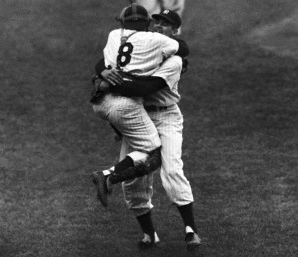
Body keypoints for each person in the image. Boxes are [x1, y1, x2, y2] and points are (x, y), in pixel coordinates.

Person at [95, 10, 201, 251]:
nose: (159, 26)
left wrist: (113, 83)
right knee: (132, 183)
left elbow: (146, 88)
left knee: (172, 169)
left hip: (165, 117)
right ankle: (149, 234)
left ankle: (191, 230)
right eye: (157, 22)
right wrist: (104, 71)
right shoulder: (144, 46)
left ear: (174, 32)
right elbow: (107, 60)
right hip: (137, 114)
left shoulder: (174, 60)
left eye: (166, 24)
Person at [91, 3, 185, 207]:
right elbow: (183, 48)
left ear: (123, 22)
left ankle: (116, 141)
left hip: (100, 103)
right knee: (152, 154)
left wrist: (104, 74)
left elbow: (101, 62)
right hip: (125, 105)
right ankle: (107, 175)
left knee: (120, 119)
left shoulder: (115, 35)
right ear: (149, 23)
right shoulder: (155, 40)